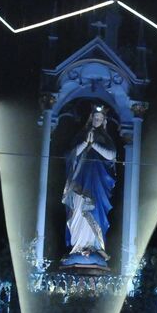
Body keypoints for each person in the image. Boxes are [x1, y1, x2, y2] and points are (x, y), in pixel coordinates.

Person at [61, 106, 118, 270]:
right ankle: (78, 247)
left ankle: (93, 247)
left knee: (95, 213)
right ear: (90, 118)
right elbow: (70, 155)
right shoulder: (82, 135)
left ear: (104, 121)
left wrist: (94, 145)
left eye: (100, 118)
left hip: (97, 185)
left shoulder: (105, 138)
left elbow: (112, 155)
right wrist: (85, 142)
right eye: (95, 117)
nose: (97, 121)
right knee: (78, 212)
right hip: (79, 183)